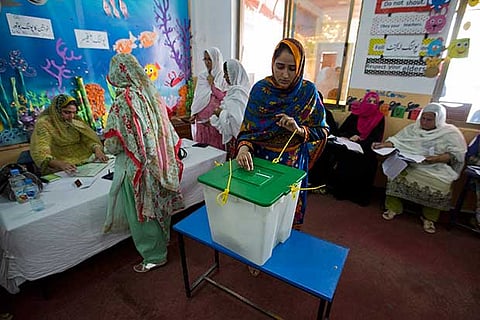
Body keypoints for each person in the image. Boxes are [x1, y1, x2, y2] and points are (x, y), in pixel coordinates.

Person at [235, 38, 329, 230]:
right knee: (261, 214)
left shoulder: (308, 92)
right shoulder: (261, 91)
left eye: (292, 68)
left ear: (300, 67)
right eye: (280, 66)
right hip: (261, 162)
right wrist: (243, 149)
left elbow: (322, 130)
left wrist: (298, 129)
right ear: (272, 63)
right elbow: (248, 131)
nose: (284, 74)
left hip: (292, 163)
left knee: (286, 213)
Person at [103, 53, 184, 272]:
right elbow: (168, 130)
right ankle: (163, 242)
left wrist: (106, 147)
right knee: (158, 204)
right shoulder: (151, 94)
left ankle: (154, 256)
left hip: (136, 167)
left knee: (142, 213)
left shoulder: (122, 102)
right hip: (160, 163)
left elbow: (113, 144)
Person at [373, 103, 467, 234]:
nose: (424, 122)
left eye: (429, 119)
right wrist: (384, 144)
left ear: (439, 119)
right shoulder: (413, 129)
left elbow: (455, 155)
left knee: (441, 183)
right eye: (423, 118)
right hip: (410, 163)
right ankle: (393, 207)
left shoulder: (450, 133)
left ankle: (429, 217)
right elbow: (397, 141)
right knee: (394, 171)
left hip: (435, 166)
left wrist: (437, 158)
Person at [311, 91, 385, 206]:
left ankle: (358, 197)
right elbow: (342, 131)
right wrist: (350, 137)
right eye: (369, 101)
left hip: (366, 149)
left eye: (374, 102)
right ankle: (340, 192)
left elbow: (377, 137)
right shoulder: (355, 114)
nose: (371, 104)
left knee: (368, 162)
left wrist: (361, 140)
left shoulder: (379, 118)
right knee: (343, 155)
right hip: (349, 146)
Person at [30, 94, 108, 175]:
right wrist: (60, 164)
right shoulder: (45, 124)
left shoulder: (75, 120)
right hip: (61, 168)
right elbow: (41, 152)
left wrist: (97, 150)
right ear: (57, 110)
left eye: (74, 112)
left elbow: (88, 139)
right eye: (67, 112)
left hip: (85, 162)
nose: (71, 116)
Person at [210, 58, 251, 158]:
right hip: (234, 141)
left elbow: (238, 123)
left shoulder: (238, 93)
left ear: (234, 73)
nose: (224, 77)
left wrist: (220, 113)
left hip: (239, 142)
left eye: (226, 74)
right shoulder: (233, 92)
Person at [190, 47, 228, 150]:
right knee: (202, 150)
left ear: (216, 59)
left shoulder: (224, 77)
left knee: (216, 151)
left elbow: (224, 98)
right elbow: (198, 97)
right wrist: (194, 113)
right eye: (205, 59)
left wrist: (212, 84)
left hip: (215, 121)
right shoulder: (202, 76)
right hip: (201, 121)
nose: (207, 62)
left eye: (209, 59)